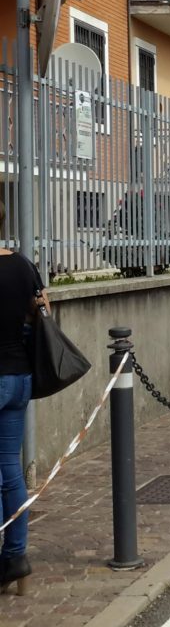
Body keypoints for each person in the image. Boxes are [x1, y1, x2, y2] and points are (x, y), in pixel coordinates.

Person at [0, 204, 42, 594]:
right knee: (10, 470)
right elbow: (41, 311)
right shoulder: (24, 265)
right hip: (19, 377)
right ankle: (15, 557)